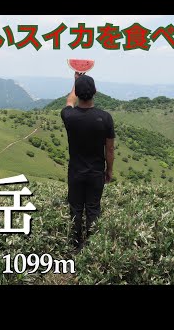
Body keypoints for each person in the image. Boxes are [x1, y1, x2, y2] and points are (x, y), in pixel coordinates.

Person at [60, 72, 115, 251]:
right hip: (96, 172)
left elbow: (69, 101)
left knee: (75, 208)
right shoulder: (105, 118)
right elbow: (110, 149)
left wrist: (75, 82)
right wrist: (109, 170)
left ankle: (75, 245)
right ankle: (92, 246)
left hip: (75, 171)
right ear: (95, 92)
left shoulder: (69, 116)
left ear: (77, 92)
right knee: (93, 208)